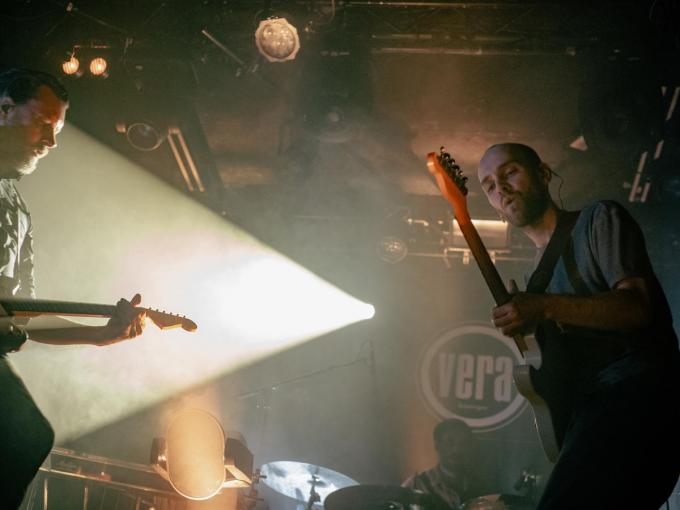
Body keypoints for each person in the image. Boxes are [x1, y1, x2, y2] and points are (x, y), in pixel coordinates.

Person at [477, 143, 680, 509]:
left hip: (639, 404)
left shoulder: (598, 219)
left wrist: (543, 306)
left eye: (509, 173)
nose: (501, 188)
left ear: (543, 174)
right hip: (591, 420)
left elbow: (638, 309)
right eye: (489, 185)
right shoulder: (533, 279)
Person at [0, 68, 147, 508]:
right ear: (4, 109)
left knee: (26, 438)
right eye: (43, 123)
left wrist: (101, 334)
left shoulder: (18, 211)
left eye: (58, 130)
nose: (51, 142)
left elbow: (23, 315)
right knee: (25, 435)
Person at [402, 419, 481, 509]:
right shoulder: (416, 484)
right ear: (437, 445)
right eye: (450, 442)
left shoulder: (480, 485)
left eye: (463, 443)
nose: (457, 450)